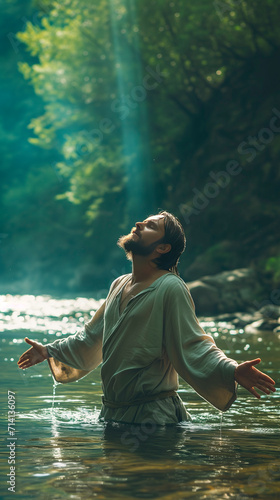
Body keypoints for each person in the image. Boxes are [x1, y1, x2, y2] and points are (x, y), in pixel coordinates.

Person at [17, 211, 276, 425]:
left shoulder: (171, 287)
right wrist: (49, 351)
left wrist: (230, 369)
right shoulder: (119, 284)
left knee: (149, 485)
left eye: (150, 225)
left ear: (162, 248)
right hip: (113, 414)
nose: (139, 223)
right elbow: (91, 337)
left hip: (154, 419)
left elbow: (193, 344)